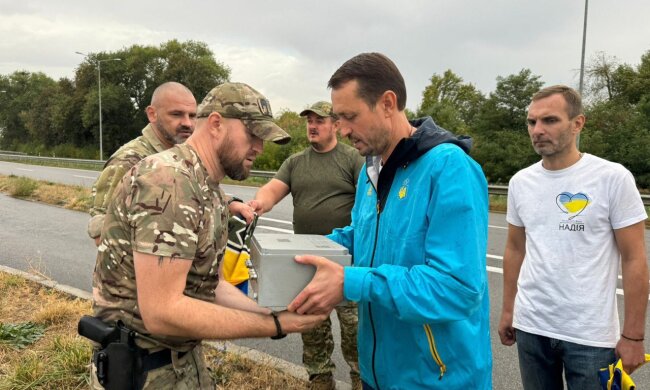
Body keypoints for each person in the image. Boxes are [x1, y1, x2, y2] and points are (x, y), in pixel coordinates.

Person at [90, 82, 327, 389]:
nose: (259, 147)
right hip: (143, 369)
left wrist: (273, 313)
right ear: (216, 124)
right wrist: (273, 325)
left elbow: (209, 286)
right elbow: (163, 311)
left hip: (179, 362)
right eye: (253, 135)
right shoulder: (169, 182)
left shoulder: (207, 187)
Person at [286, 53, 492, 389]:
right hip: (377, 374)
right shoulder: (372, 171)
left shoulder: (449, 167)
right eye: (338, 118)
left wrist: (353, 282)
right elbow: (363, 235)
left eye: (350, 116)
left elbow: (458, 288)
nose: (343, 129)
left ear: (387, 103)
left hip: (436, 378)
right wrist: (302, 252)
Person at [498, 85, 648, 389]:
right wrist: (508, 310)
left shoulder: (612, 178)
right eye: (531, 122)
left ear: (577, 123)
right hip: (531, 328)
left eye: (549, 120)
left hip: (591, 338)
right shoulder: (520, 183)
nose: (537, 130)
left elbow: (634, 259)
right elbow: (515, 249)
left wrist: (633, 336)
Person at [250, 100, 364, 390]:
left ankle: (361, 380)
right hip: (303, 263)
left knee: (355, 332)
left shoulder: (352, 158)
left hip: (345, 262)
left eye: (320, 120)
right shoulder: (296, 162)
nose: (312, 126)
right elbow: (273, 189)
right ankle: (320, 380)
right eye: (309, 121)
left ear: (336, 125)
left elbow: (369, 201)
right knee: (312, 329)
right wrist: (257, 204)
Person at [86, 81, 256, 246]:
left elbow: (191, 196)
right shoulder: (130, 160)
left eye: (192, 115)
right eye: (176, 114)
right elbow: (102, 234)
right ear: (152, 114)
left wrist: (229, 204)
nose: (187, 123)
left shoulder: (187, 156)